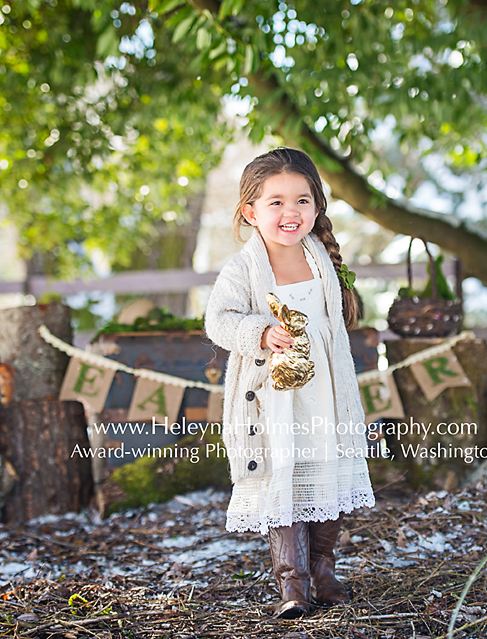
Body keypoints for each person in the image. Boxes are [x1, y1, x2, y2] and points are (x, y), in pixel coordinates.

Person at [204, 147, 375, 619]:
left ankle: (323, 571)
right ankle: (292, 583)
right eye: (275, 202)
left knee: (327, 471)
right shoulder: (244, 268)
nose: (289, 212)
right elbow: (218, 320)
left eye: (301, 200)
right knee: (285, 478)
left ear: (316, 207)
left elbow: (330, 328)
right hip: (274, 401)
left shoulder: (322, 259)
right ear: (250, 211)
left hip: (325, 395)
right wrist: (259, 332)